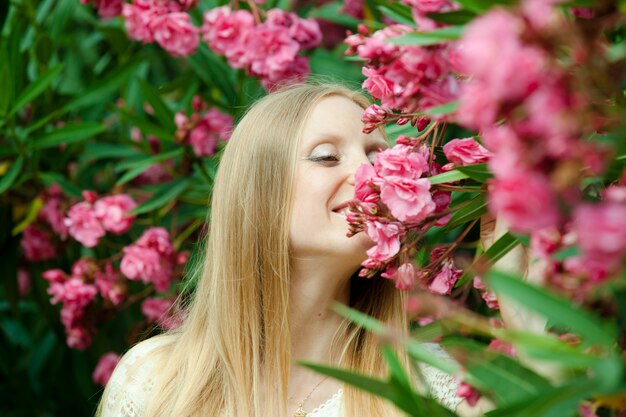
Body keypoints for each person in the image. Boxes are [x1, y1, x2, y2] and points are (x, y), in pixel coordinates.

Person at [97, 83, 505, 417]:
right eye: (327, 157)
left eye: (379, 157)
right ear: (258, 194)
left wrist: (521, 303)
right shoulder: (154, 379)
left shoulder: (435, 389)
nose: (368, 176)